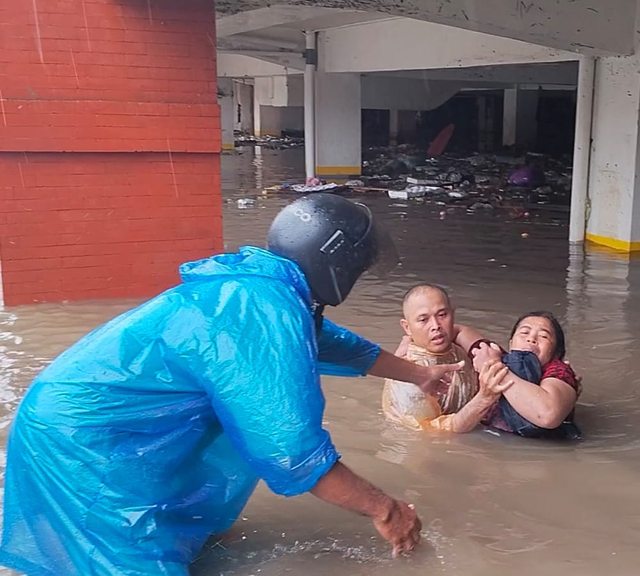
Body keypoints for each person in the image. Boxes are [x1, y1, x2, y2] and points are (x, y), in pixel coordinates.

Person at [0, 193, 463, 575]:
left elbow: (334, 344)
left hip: (87, 424)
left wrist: (422, 374)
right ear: (335, 265)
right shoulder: (263, 311)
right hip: (83, 445)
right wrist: (386, 510)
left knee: (190, 543)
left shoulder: (263, 290)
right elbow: (293, 453)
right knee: (121, 553)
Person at [382, 283, 513, 433]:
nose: (436, 326)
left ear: (453, 315)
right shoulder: (407, 374)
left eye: (442, 315)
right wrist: (484, 399)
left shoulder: (459, 351)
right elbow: (434, 434)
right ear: (407, 327)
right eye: (423, 320)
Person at [466, 312, 582, 440]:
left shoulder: (559, 371)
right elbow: (460, 333)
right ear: (511, 344)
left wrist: (495, 369)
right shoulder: (496, 356)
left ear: (556, 353)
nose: (531, 338)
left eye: (544, 336)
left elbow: (548, 416)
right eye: (524, 333)